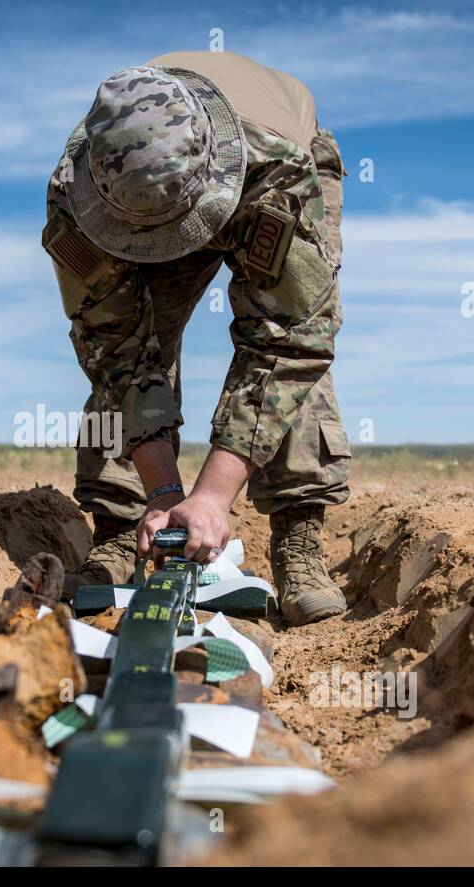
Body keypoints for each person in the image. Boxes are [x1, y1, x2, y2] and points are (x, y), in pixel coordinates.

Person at [43, 51, 351, 626]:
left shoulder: (278, 175)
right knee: (137, 339)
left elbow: (289, 340)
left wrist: (213, 494)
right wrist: (162, 494)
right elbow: (116, 348)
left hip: (275, 161)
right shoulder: (76, 197)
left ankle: (298, 534)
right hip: (144, 200)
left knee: (295, 326)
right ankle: (119, 528)